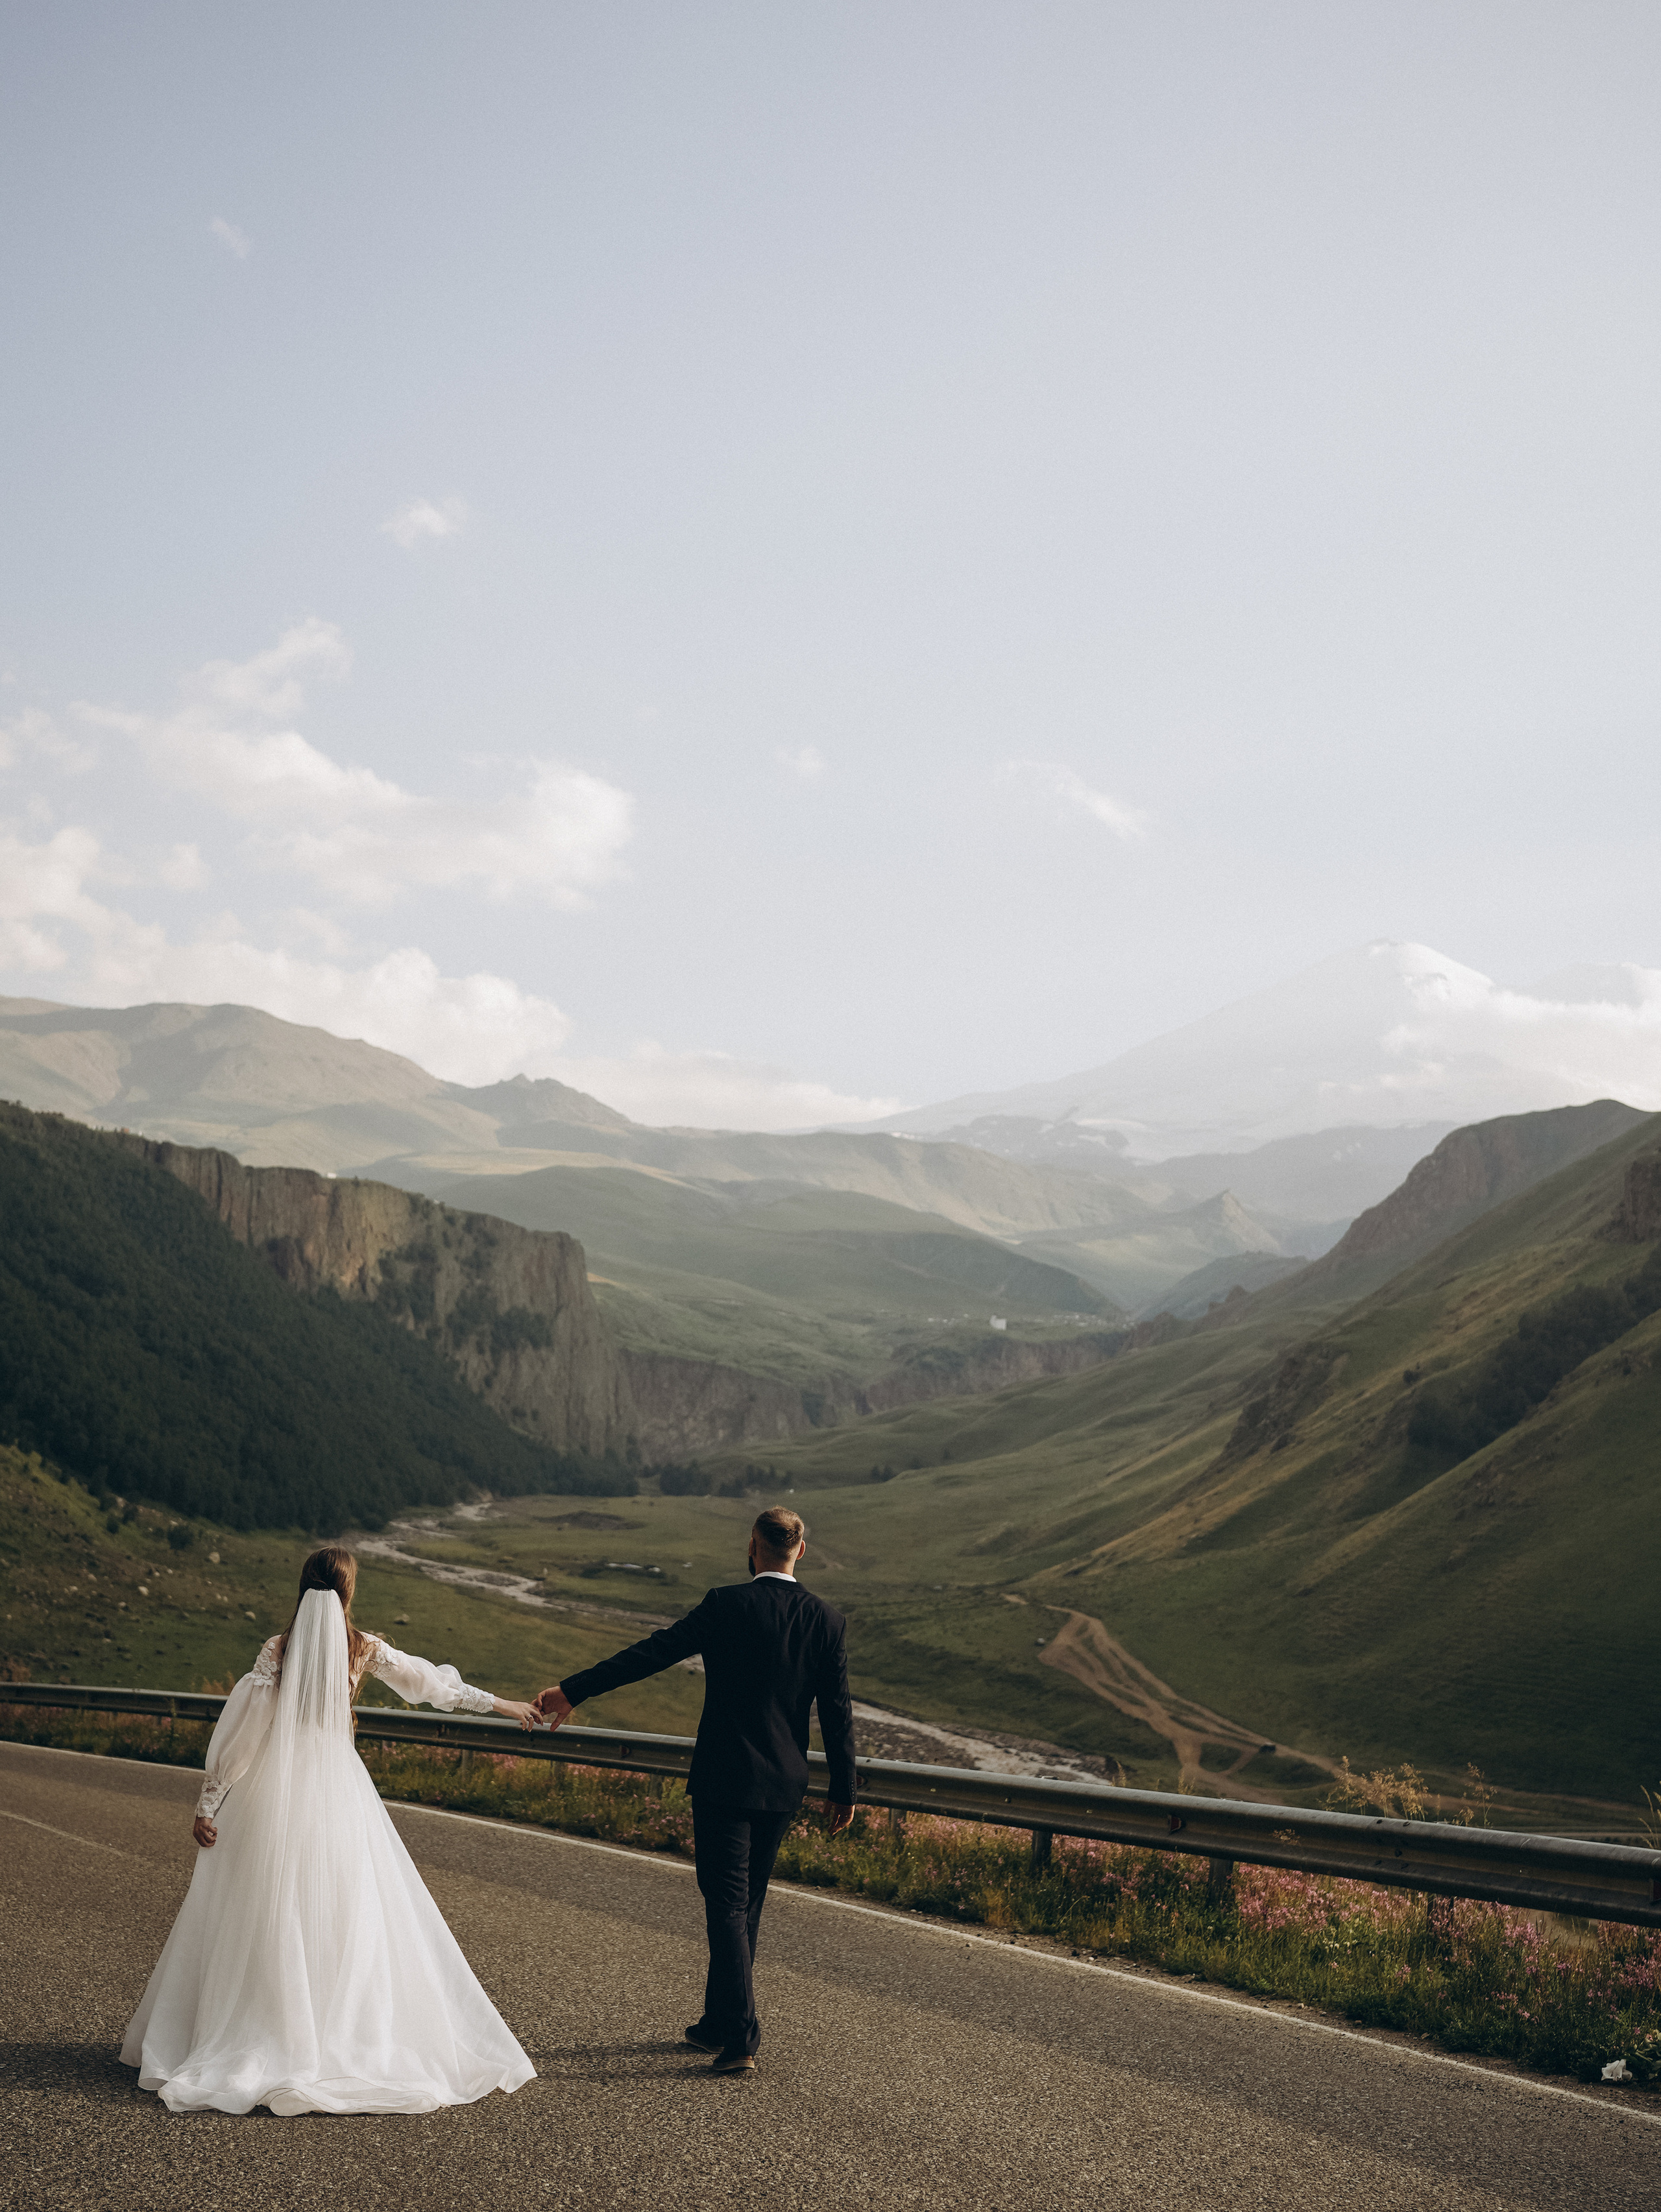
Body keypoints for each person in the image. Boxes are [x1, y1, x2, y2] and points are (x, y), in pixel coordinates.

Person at [120, 1545, 541, 2115]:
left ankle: (264, 2029)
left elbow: (245, 1731)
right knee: (351, 1909)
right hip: (341, 1789)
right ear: (347, 1592)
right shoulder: (362, 1647)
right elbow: (431, 1684)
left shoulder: (279, 1648)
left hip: (273, 1792)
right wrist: (506, 1704)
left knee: (264, 1910)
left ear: (303, 1586)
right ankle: (341, 2032)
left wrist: (210, 1801)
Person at [537, 1505, 855, 2077]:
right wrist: (845, 1789)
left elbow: (651, 1654)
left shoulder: (726, 1605)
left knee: (727, 1904)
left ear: (753, 1546)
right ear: (800, 1551)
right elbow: (837, 1712)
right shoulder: (826, 1619)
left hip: (725, 1778)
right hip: (783, 1784)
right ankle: (717, 2021)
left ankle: (740, 2037)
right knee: (746, 1903)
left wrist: (573, 1690)